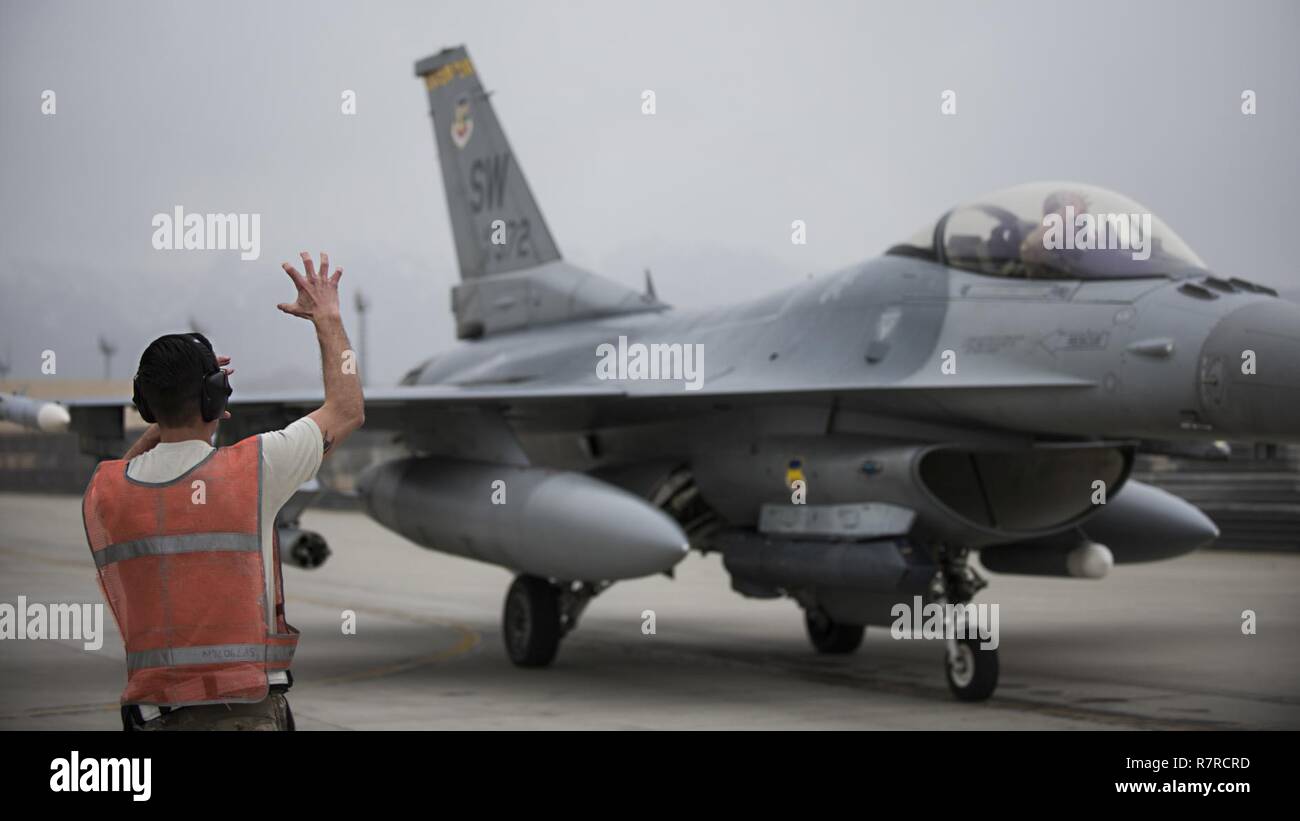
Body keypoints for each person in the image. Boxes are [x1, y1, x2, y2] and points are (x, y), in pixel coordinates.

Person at [81, 251, 365, 730]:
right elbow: (347, 408)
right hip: (244, 716)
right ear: (216, 397)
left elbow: (130, 468)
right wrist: (328, 317)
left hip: (153, 719)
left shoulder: (105, 492)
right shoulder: (255, 469)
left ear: (145, 406)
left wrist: (175, 411)